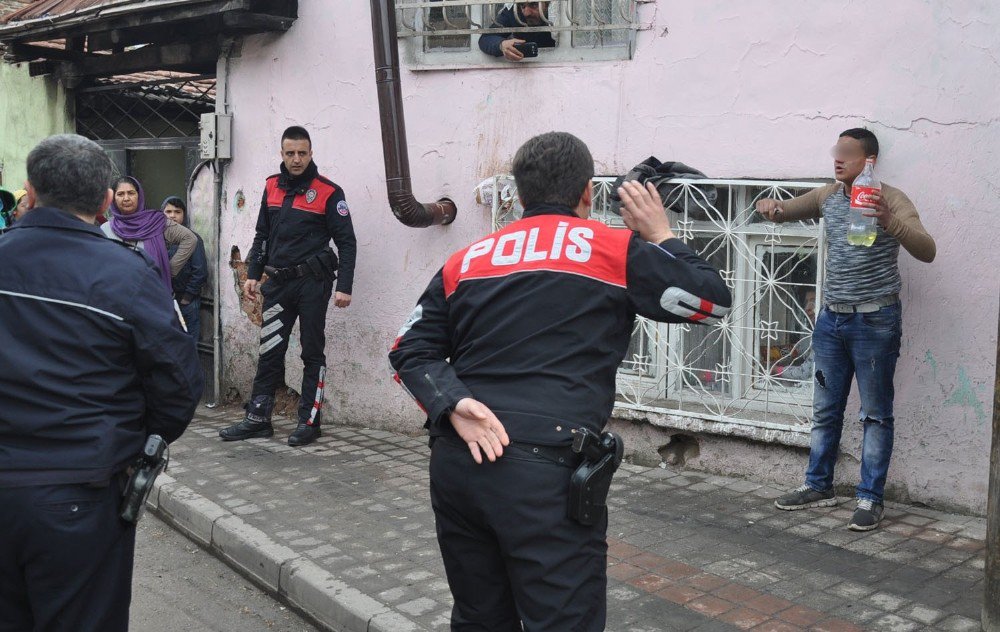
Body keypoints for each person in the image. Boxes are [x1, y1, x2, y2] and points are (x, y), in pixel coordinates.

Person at [389, 132, 731, 630]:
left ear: (521, 194)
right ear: (587, 193)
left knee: (479, 620)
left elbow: (408, 349)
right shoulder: (615, 250)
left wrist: (451, 401)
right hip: (545, 476)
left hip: (458, 463)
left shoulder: (467, 260)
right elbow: (711, 302)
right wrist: (662, 233)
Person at [0, 134, 203, 631]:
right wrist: (135, 438)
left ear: (29, 190)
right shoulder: (128, 277)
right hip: (80, 496)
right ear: (106, 201)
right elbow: (178, 383)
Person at [761, 128, 936, 531]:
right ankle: (818, 486)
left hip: (875, 321)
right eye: (836, 151)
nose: (837, 159)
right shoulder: (828, 195)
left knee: (875, 415)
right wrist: (768, 205)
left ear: (868, 160)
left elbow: (927, 250)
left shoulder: (890, 199)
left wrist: (891, 221)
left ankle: (870, 498)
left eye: (847, 153)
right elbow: (784, 211)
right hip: (831, 320)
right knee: (825, 411)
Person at [219, 126, 357, 447]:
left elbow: (346, 243)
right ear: (281, 154)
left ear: (311, 153)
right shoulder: (271, 186)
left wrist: (344, 286)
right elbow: (262, 234)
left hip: (312, 285)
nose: (296, 159)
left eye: (302, 153)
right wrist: (253, 273)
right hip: (278, 285)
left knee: (311, 353)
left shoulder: (328, 192)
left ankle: (309, 421)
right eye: (290, 153)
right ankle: (257, 419)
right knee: (269, 352)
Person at [101, 176, 197, 293]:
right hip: (119, 293)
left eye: (131, 193)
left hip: (151, 293)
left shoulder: (156, 222)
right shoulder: (106, 229)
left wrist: (168, 270)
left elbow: (189, 238)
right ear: (114, 198)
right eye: (120, 194)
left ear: (139, 195)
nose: (126, 198)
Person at [162, 196, 208, 339]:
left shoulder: (192, 238)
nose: (172, 216)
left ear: (184, 214)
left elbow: (200, 271)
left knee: (188, 342)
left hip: (186, 302)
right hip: (162, 300)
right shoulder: (156, 239)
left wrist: (187, 298)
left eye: (177, 211)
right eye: (168, 211)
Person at [478, 2, 555, 61]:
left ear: (548, 4)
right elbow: (486, 38)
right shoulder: (514, 12)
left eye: (534, 5)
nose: (526, 13)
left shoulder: (558, 13)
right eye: (523, 6)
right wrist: (502, 44)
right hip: (524, 64)